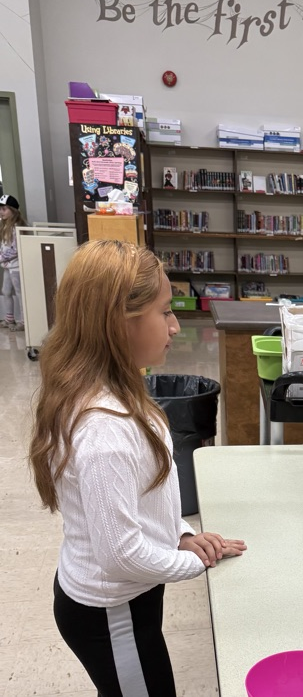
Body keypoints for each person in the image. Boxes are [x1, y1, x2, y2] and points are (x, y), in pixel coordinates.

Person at [28, 240, 247, 696]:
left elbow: (147, 496)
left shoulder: (118, 388)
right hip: (111, 610)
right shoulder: (103, 429)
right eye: (165, 312)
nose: (175, 325)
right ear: (119, 323)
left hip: (129, 600)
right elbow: (120, 554)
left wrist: (181, 533)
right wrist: (196, 562)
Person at [0, 193, 27, 332]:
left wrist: (2, 257)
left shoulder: (17, 227)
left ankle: (23, 321)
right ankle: (9, 318)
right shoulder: (5, 227)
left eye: (4, 209)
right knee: (6, 291)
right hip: (7, 266)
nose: (1, 212)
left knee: (19, 293)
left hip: (16, 266)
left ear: (13, 210)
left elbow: (16, 249)